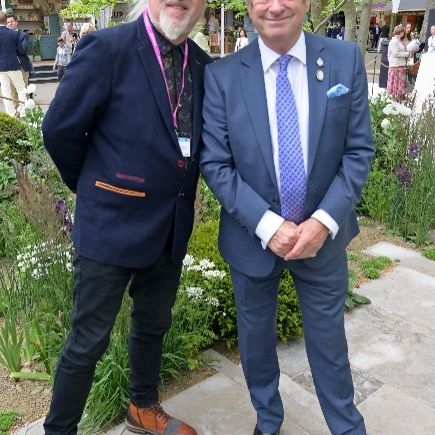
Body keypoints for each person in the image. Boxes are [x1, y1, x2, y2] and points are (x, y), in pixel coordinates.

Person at [200, 0, 374, 433]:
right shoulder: (222, 76)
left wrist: (322, 223)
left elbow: (357, 151)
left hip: (323, 238)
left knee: (329, 343)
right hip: (252, 237)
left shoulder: (343, 59)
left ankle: (346, 426)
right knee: (256, 343)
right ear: (248, 6)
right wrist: (268, 225)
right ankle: (269, 421)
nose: (275, 6)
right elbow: (216, 164)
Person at [41, 0, 210, 432]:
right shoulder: (106, 48)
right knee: (87, 342)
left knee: (154, 325)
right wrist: (93, 187)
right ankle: (59, 430)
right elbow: (59, 130)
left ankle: (142, 407)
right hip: (110, 226)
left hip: (170, 226)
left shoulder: (205, 66)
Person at [0, 11, 27, 117]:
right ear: (6, 21)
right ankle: (23, 111)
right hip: (14, 65)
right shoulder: (14, 34)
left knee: (6, 91)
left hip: (1, 67)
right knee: (21, 88)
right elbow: (21, 51)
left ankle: (10, 113)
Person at [6, 15, 33, 90]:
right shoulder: (4, 36)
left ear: (16, 22)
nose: (10, 23)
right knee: (12, 91)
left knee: (23, 90)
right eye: (8, 22)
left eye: (12, 21)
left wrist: (9, 49)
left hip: (21, 66)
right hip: (9, 67)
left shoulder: (23, 35)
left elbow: (23, 50)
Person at [387, 24, 412, 100]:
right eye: (403, 32)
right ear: (401, 33)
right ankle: (396, 98)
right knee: (396, 83)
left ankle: (399, 97)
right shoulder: (394, 41)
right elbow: (395, 53)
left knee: (400, 82)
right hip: (396, 65)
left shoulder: (398, 41)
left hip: (399, 65)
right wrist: (407, 54)